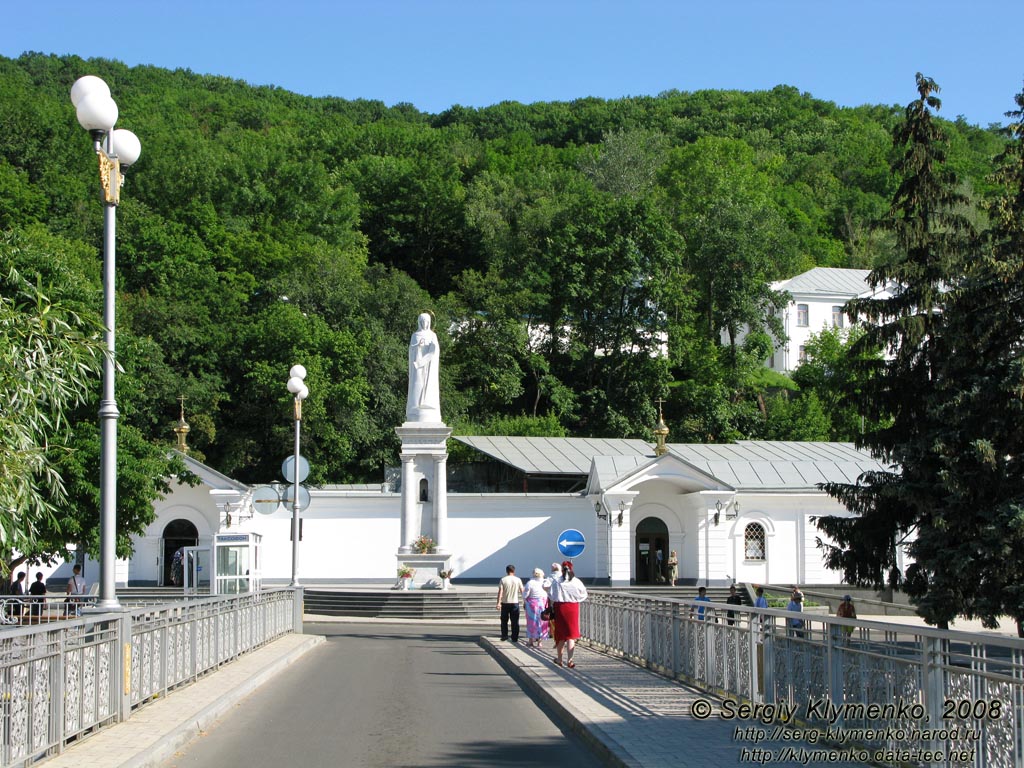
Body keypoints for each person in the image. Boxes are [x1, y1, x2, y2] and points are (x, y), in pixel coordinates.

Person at [549, 561, 587, 668]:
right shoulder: (576, 581)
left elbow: (552, 595)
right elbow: (584, 594)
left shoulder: (557, 581)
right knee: (571, 635)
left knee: (560, 635)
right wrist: (576, 599)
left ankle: (559, 659)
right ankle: (570, 660)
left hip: (560, 607)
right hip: (573, 608)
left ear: (562, 569)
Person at [406, 312, 441, 423]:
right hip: (418, 367)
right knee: (417, 385)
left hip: (429, 367)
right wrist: (418, 347)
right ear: (419, 322)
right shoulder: (415, 335)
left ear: (429, 322)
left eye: (426, 321)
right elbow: (411, 351)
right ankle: (415, 407)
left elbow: (436, 350)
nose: (424, 323)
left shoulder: (432, 335)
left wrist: (432, 347)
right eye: (422, 321)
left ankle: (428, 405)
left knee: (429, 386)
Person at [522, 568, 549, 647]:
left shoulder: (530, 583)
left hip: (532, 605)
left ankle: (531, 641)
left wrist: (525, 599)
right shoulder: (545, 582)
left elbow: (525, 594)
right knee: (542, 621)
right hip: (543, 603)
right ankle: (540, 641)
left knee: (532, 622)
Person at [496, 564, 523, 642]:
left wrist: (498, 603)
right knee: (515, 621)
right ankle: (514, 637)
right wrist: (525, 601)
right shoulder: (518, 580)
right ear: (514, 571)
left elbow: (500, 592)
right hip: (515, 602)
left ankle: (504, 635)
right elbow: (522, 591)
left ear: (506, 571)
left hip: (505, 602)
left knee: (504, 620)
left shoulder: (503, 580)